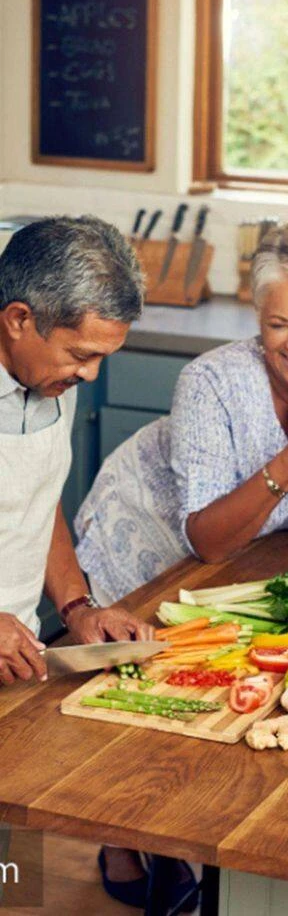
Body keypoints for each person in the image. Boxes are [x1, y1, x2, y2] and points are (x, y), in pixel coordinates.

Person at [75, 222, 288, 605]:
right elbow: (209, 544)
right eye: (278, 324)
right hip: (146, 538)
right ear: (259, 315)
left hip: (242, 563)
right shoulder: (210, 381)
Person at [0, 215, 153, 684]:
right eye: (82, 355)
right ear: (19, 320)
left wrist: (78, 608)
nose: (90, 375)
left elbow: (38, 502)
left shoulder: (54, 379)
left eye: (102, 358)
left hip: (18, 665)